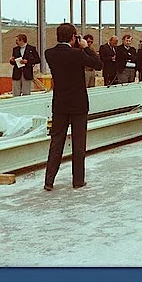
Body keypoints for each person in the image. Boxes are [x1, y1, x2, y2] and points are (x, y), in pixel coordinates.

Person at [43, 23, 103, 190]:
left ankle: (49, 180)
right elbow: (98, 64)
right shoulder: (77, 54)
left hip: (60, 104)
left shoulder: (50, 54)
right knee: (78, 143)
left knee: (56, 142)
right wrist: (86, 47)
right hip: (78, 104)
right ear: (73, 37)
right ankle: (78, 180)